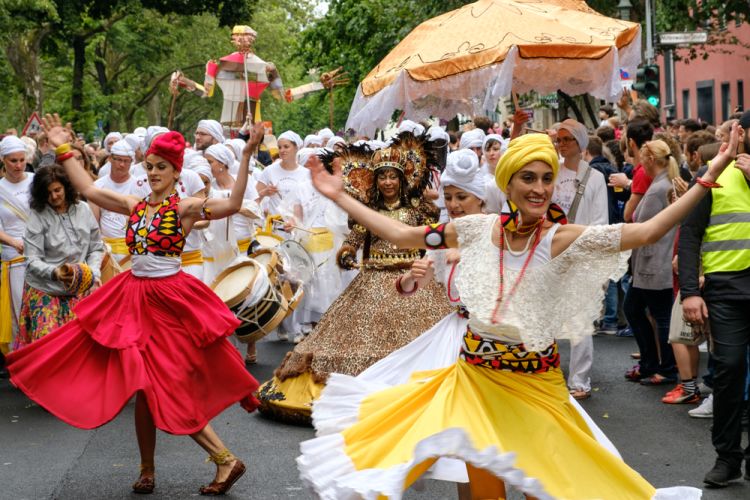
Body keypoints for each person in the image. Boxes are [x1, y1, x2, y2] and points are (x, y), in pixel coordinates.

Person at [296, 126, 740, 499]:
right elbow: (402, 233)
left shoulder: (562, 237)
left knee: (548, 488)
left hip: (536, 387)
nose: (540, 188)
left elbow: (648, 231)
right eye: (528, 178)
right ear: (507, 184)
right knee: (485, 491)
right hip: (475, 381)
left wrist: (708, 175)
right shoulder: (472, 229)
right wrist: (341, 197)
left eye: (547, 178)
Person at [7, 115, 266, 496]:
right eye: (151, 167)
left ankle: (225, 458)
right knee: (142, 387)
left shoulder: (184, 208)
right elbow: (88, 190)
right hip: (133, 295)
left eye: (162, 168)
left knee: (164, 385)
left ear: (177, 172)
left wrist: (245, 155)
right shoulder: (135, 204)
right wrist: (62, 148)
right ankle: (147, 470)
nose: (155, 173)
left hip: (169, 300)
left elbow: (235, 204)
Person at [256, 138, 452, 424]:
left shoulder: (416, 210)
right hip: (371, 279)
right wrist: (347, 253)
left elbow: (430, 240)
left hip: (413, 281)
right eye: (382, 176)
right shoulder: (369, 214)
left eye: (392, 176)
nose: (387, 182)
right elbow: (355, 239)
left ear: (402, 179)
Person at [680, 115, 750, 488]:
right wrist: (690, 291)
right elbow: (689, 233)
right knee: (729, 370)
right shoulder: (716, 171)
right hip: (726, 290)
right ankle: (727, 458)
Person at [15, 165, 103, 348]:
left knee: (79, 349)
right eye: (48, 193)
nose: (54, 196)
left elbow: (96, 248)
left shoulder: (84, 210)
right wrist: (55, 272)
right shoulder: (38, 216)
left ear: (66, 187)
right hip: (45, 289)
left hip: (78, 288)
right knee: (48, 347)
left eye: (57, 190)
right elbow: (31, 260)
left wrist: (93, 273)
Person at [552, 119, 608, 401]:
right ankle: (546, 372)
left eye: (567, 139)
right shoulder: (550, 175)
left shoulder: (595, 178)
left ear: (580, 143)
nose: (561, 144)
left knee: (580, 320)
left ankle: (580, 380)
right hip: (551, 255)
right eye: (558, 139)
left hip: (581, 258)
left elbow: (600, 223)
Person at [623, 140, 680, 386]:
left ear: (650, 159)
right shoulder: (662, 184)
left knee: (654, 313)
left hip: (654, 261)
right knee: (639, 309)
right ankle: (652, 363)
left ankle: (664, 367)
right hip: (652, 261)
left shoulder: (659, 188)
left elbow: (643, 226)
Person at [0, 135, 34, 355]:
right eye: (13, 161)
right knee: (17, 309)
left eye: (22, 160)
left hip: (40, 252)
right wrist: (13, 241)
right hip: (13, 257)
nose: (19, 165)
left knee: (39, 309)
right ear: (3, 160)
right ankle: (19, 358)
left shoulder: (35, 180)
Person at [91, 140, 137, 264]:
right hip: (107, 252)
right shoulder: (97, 186)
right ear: (110, 159)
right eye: (118, 160)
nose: (122, 164)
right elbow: (94, 225)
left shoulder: (139, 186)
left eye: (126, 161)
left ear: (131, 162)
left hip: (133, 253)